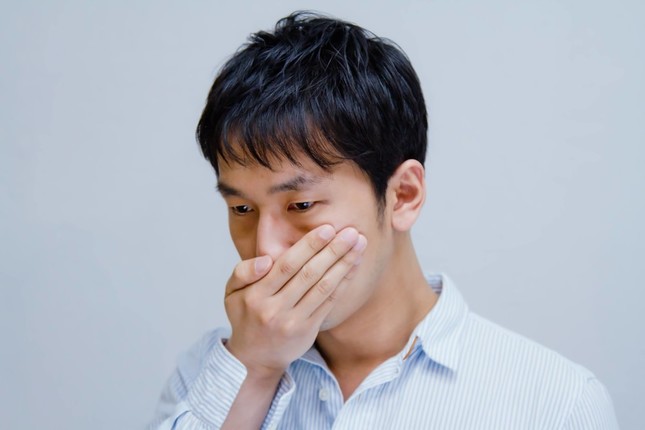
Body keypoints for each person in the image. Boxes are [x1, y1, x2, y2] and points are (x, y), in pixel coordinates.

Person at [149, 12, 618, 429]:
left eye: (301, 205)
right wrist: (254, 368)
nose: (265, 250)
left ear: (403, 196)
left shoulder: (554, 404)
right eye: (242, 209)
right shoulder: (209, 371)